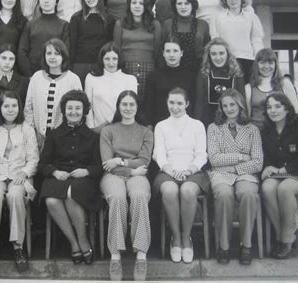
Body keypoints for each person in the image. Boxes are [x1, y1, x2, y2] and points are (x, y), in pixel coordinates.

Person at [0, 91, 39, 277]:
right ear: (0, 108)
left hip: (20, 175)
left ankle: (18, 247)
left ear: (19, 108)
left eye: (14, 105)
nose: (10, 109)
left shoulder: (26, 129)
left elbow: (33, 158)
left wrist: (25, 172)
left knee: (15, 195)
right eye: (6, 106)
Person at [39, 90, 101, 264]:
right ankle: (74, 243)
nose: (73, 112)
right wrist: (55, 172)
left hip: (83, 180)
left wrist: (86, 171)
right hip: (58, 177)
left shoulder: (92, 137)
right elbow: (43, 164)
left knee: (72, 194)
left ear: (84, 111)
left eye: (78, 108)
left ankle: (83, 240)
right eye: (70, 108)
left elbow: (98, 167)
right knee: (51, 200)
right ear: (64, 110)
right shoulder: (54, 134)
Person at [100, 90, 153, 281]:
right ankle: (115, 256)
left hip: (137, 175)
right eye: (124, 104)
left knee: (139, 196)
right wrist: (130, 169)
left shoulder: (146, 131)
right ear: (119, 107)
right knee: (117, 198)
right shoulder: (108, 130)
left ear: (137, 107)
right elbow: (107, 163)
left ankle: (141, 255)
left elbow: (144, 160)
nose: (128, 108)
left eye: (132, 104)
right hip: (113, 176)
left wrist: (120, 162)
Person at [152, 87, 209, 263]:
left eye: (179, 103)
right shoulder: (161, 126)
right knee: (169, 190)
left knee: (188, 191)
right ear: (167, 103)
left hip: (192, 170)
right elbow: (159, 154)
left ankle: (187, 238)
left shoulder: (197, 125)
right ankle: (176, 238)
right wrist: (171, 170)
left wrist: (189, 170)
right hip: (168, 171)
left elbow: (201, 154)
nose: (175, 107)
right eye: (171, 103)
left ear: (187, 104)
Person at [207, 89, 263, 265]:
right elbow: (214, 159)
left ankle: (245, 245)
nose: (229, 109)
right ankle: (223, 246)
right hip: (220, 174)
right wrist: (240, 156)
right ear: (221, 108)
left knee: (247, 193)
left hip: (246, 174)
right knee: (224, 194)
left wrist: (233, 168)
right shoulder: (214, 128)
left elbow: (257, 162)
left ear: (240, 105)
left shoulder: (252, 129)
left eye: (232, 104)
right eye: (225, 106)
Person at [260, 93, 298, 259]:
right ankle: (284, 235)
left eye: (277, 106)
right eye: (269, 107)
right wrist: (267, 167)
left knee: (285, 189)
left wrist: (283, 169)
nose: (273, 111)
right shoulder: (266, 130)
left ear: (287, 108)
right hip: (279, 173)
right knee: (267, 188)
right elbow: (266, 156)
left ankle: (285, 241)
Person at [24, 38, 82, 148]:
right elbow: (28, 108)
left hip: (65, 139)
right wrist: (31, 134)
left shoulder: (73, 79)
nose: (52, 57)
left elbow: (81, 109)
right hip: (38, 139)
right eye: (49, 53)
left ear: (63, 56)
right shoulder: (36, 77)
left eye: (57, 53)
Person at [113, 0, 161, 100]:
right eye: (134, 3)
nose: (137, 6)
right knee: (127, 100)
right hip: (126, 69)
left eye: (141, 3)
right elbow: (116, 50)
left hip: (149, 69)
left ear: (146, 6)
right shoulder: (120, 24)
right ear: (129, 5)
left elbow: (158, 50)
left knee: (146, 101)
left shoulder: (155, 24)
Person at [210, 0, 264, 81]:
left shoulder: (251, 17)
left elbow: (256, 40)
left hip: (247, 61)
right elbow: (215, 40)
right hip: (226, 62)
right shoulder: (218, 18)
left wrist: (259, 60)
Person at [84, 42, 137, 133]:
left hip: (122, 130)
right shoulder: (91, 77)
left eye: (114, 59)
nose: (111, 63)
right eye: (107, 59)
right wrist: (92, 128)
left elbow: (130, 107)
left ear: (119, 59)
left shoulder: (130, 79)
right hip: (97, 130)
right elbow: (87, 105)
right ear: (102, 60)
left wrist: (108, 123)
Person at [18, 0, 70, 77]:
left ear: (56, 1)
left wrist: (58, 74)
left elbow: (66, 52)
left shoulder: (64, 25)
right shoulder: (30, 24)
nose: (46, 0)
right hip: (32, 75)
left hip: (56, 74)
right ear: (39, 1)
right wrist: (29, 75)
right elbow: (22, 51)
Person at [143, 40, 195, 130]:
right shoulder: (153, 76)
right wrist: (149, 125)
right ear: (163, 53)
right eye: (168, 51)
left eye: (175, 51)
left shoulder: (190, 76)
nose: (171, 55)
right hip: (160, 124)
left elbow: (194, 102)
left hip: (184, 125)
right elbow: (149, 104)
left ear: (181, 53)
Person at [69, 0, 116, 83]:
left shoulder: (109, 19)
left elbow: (110, 44)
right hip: (80, 65)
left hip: (100, 66)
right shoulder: (76, 18)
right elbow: (72, 46)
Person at [194, 38, 245, 127]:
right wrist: (196, 125)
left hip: (232, 120)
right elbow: (199, 102)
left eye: (221, 53)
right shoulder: (204, 72)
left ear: (228, 54)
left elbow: (242, 101)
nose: (218, 58)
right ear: (209, 55)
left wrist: (243, 123)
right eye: (213, 54)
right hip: (209, 121)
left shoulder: (236, 71)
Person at [245, 48, 298, 128]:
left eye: (270, 63)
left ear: (275, 65)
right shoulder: (249, 87)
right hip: (257, 134)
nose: (266, 66)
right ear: (257, 65)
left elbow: (296, 112)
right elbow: (247, 117)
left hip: (282, 134)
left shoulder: (285, 83)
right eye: (262, 63)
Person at [161, 0, 210, 73]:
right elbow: (161, 50)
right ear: (175, 6)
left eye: (187, 3)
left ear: (193, 5)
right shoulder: (168, 24)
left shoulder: (203, 24)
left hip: (196, 71)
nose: (183, 7)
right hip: (171, 71)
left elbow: (207, 52)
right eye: (179, 4)